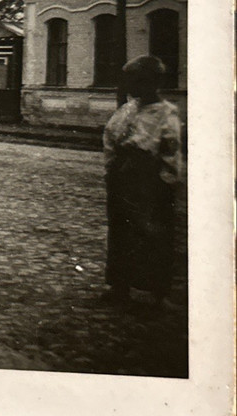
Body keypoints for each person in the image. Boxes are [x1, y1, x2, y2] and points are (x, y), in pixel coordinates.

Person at [101, 55, 183, 307]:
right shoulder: (128, 109)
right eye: (130, 81)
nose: (132, 87)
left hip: (150, 181)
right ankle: (120, 286)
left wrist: (167, 181)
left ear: (152, 82)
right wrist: (113, 169)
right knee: (121, 233)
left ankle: (157, 293)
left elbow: (171, 150)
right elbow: (110, 136)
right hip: (123, 177)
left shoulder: (166, 114)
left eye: (137, 81)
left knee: (153, 235)